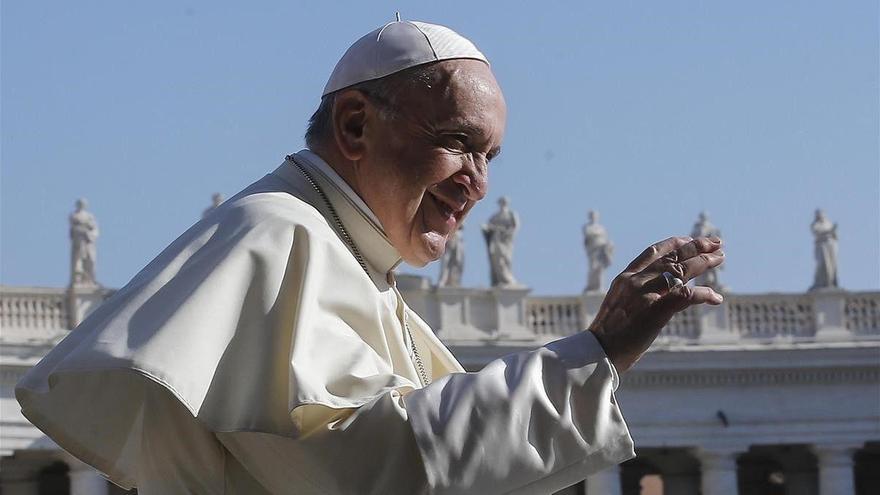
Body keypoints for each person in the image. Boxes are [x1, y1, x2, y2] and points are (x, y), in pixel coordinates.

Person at [16, 18, 725, 494]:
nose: (478, 182)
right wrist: (594, 350)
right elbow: (382, 464)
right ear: (356, 123)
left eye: (491, 157)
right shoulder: (277, 237)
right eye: (459, 142)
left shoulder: (353, 262)